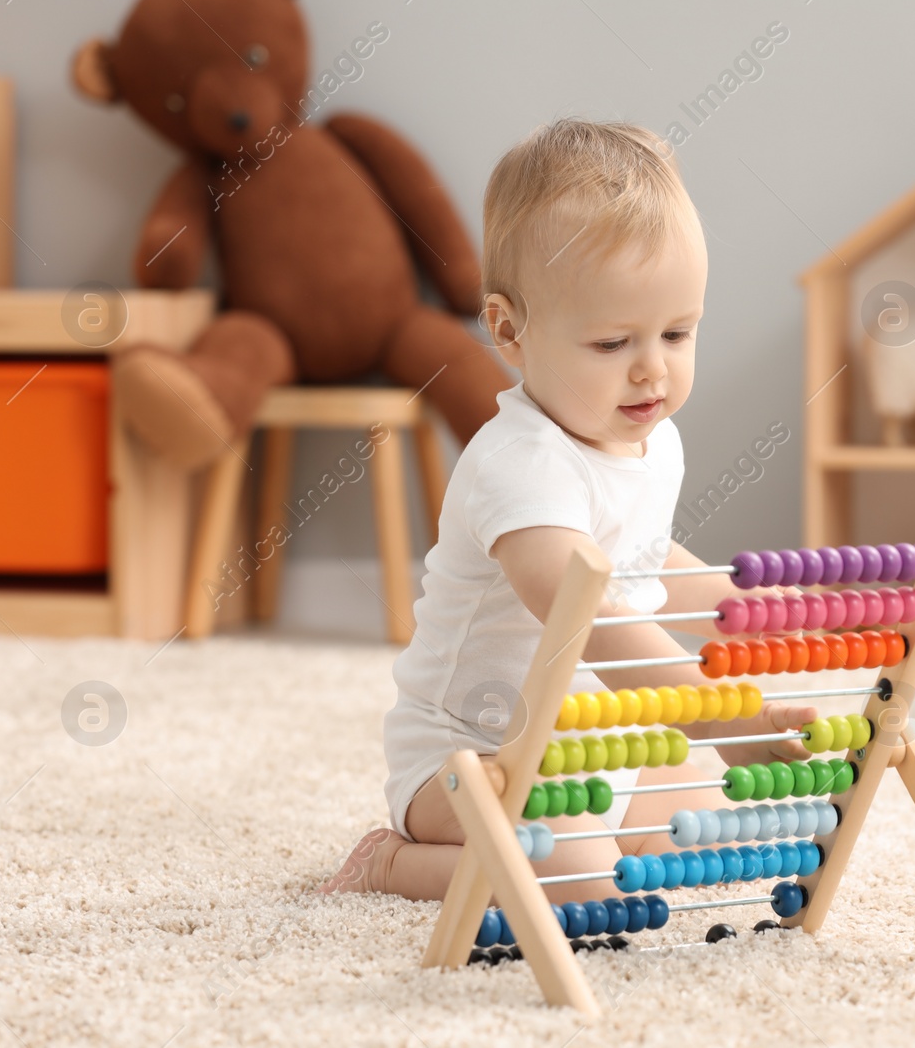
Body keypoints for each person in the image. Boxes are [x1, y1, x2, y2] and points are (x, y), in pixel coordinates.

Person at [321, 117, 815, 904]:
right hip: (472, 757)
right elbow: (582, 609)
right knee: (578, 882)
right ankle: (390, 861)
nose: (652, 367)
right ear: (510, 331)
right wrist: (714, 712)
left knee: (722, 825)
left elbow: (644, 564)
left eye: (677, 332)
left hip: (597, 745)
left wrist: (746, 608)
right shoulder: (520, 464)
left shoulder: (655, 442)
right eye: (613, 342)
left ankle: (611, 816)